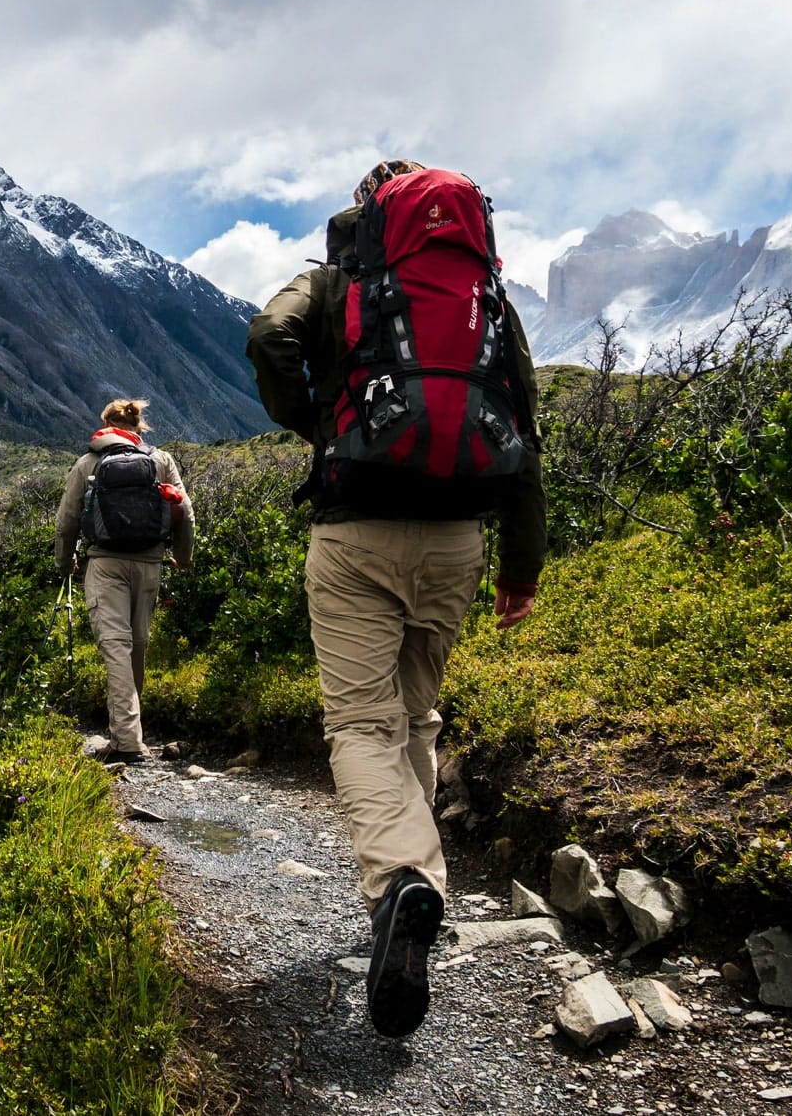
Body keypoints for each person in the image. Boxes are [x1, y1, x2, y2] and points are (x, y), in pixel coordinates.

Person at [245, 159, 546, 1039]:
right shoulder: (485, 297)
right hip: (457, 540)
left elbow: (269, 337)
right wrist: (520, 568)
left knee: (360, 725)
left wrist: (316, 421)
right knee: (415, 717)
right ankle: (415, 887)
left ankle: (401, 884)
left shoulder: (340, 278)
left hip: (355, 531)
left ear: (370, 210)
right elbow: (523, 425)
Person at [53, 398, 195, 766]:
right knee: (138, 645)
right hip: (150, 564)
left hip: (105, 564)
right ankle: (130, 732)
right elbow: (185, 512)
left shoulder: (88, 463)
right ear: (139, 427)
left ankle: (128, 741)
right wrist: (183, 556)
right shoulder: (160, 460)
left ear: (105, 425)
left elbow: (67, 522)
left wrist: (66, 563)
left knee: (115, 646)